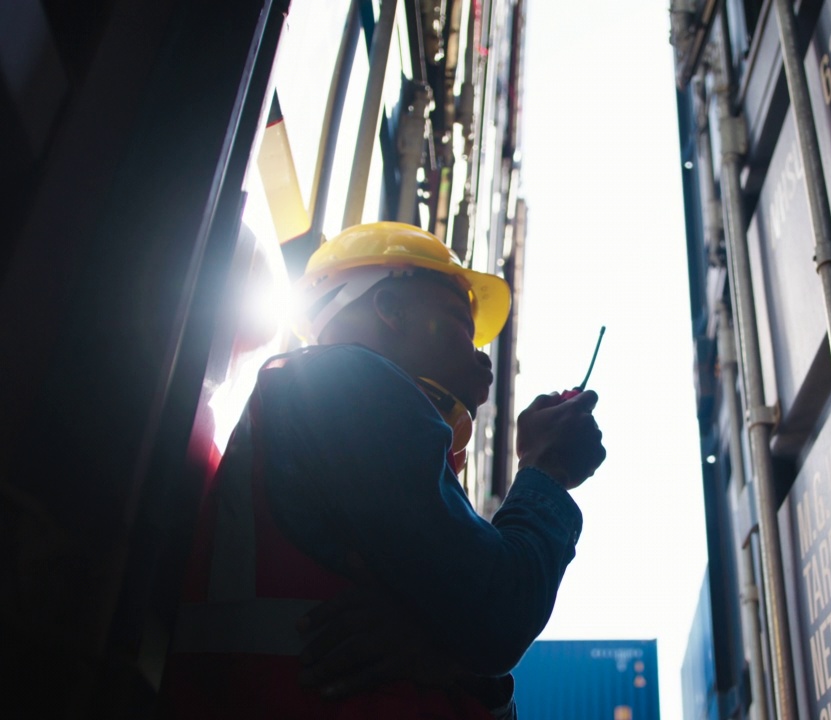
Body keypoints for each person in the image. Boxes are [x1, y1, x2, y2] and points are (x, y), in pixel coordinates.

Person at [157, 222, 606, 718]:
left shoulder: (342, 420)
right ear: (389, 308)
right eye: (461, 319)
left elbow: (479, 634)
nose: (483, 357)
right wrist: (546, 471)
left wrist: (451, 656)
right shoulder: (349, 384)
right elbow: (498, 614)